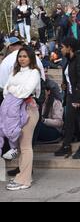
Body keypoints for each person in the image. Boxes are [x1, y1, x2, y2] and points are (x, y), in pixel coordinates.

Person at [2, 47, 41, 191]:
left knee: (25, 146)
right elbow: (6, 90)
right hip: (14, 111)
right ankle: (22, 175)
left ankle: (25, 180)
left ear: (31, 58)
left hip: (28, 110)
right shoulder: (15, 72)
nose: (22, 59)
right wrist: (13, 90)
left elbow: (26, 91)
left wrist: (13, 89)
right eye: (20, 56)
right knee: (20, 146)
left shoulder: (34, 72)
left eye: (25, 56)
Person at [54, 38, 80, 159]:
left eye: (62, 47)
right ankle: (66, 146)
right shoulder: (69, 60)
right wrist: (65, 85)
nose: (61, 50)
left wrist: (79, 99)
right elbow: (70, 77)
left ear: (69, 47)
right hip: (71, 95)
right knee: (69, 122)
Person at [37, 79, 63, 144]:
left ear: (48, 91)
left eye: (43, 90)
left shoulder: (56, 103)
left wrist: (44, 120)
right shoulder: (40, 102)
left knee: (37, 126)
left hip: (54, 131)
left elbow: (59, 122)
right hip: (43, 128)